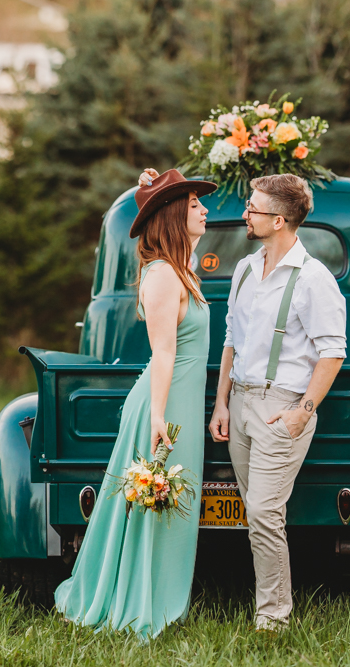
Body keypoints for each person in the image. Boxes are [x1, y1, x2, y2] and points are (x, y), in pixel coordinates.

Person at [54, 169, 215, 640]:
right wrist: (159, 416)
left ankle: (161, 595)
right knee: (153, 505)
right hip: (163, 406)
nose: (204, 210)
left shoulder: (181, 269)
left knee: (172, 506)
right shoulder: (162, 275)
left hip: (180, 402)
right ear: (173, 215)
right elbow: (162, 351)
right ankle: (140, 601)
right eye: (194, 204)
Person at [209, 174, 347, 631]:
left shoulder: (313, 278)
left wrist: (302, 412)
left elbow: (333, 351)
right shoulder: (246, 269)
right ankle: (267, 605)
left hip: (281, 408)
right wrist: (222, 403)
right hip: (240, 405)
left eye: (253, 208)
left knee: (264, 513)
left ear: (279, 220)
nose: (245, 213)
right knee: (256, 513)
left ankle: (273, 618)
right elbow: (231, 338)